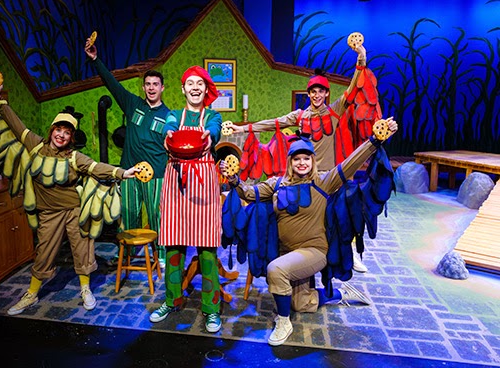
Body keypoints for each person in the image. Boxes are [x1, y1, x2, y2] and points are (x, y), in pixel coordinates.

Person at [220, 117, 398, 346]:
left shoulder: (324, 181)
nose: (302, 163)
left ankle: (283, 322)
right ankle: (341, 294)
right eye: (297, 158)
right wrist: (234, 179)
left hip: (314, 251)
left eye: (306, 158)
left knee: (276, 270)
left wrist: (374, 140)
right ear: (290, 162)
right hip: (287, 253)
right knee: (301, 304)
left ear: (313, 161)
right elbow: (247, 193)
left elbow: (351, 162)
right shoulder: (277, 184)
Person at [0, 82, 139, 316]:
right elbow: (16, 125)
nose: (62, 135)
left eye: (67, 132)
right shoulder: (35, 145)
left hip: (74, 210)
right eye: (59, 130)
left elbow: (96, 167)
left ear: (71, 137)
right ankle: (31, 293)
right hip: (48, 212)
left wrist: (123, 173)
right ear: (52, 130)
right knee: (44, 252)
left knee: (82, 249)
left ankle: (85, 289)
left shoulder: (74, 157)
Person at [229, 44, 373, 273]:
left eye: (321, 91)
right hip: (304, 177)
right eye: (313, 92)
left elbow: (353, 88)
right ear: (308, 94)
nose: (317, 95)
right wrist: (242, 128)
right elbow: (273, 123)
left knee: (342, 213)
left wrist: (361, 60)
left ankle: (349, 252)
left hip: (329, 177)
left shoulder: (334, 110)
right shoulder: (300, 116)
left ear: (326, 93)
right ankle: (295, 254)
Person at [149, 66, 223, 333]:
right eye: (190, 83)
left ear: (205, 89)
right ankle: (172, 300)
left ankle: (211, 309)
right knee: (173, 247)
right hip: (176, 183)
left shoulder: (213, 115)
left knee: (207, 250)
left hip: (203, 184)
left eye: (199, 84)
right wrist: (169, 134)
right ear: (183, 89)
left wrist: (209, 135)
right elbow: (169, 127)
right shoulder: (173, 115)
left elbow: (214, 129)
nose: (194, 88)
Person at [85, 35, 170, 267]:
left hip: (157, 174)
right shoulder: (133, 104)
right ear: (143, 87)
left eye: (155, 84)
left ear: (162, 88)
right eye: (148, 84)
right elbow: (111, 84)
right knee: (129, 213)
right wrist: (95, 60)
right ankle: (127, 252)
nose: (151, 88)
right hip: (129, 172)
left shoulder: (169, 116)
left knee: (156, 215)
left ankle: (161, 253)